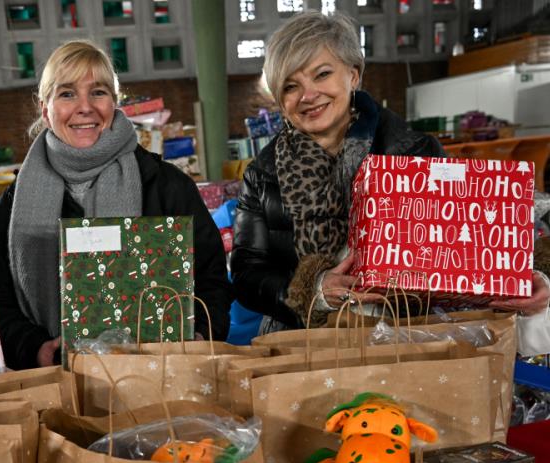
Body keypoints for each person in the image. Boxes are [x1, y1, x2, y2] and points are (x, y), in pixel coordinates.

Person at [230, 11, 549, 333]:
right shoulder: (263, 174)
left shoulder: (417, 153)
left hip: (407, 340)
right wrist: (313, 291)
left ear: (353, 75)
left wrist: (529, 279)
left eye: (322, 74)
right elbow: (247, 275)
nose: (308, 95)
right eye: (290, 86)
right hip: (304, 345)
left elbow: (473, 245)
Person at [0, 40, 230, 370]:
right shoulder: (11, 206)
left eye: (98, 92)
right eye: (67, 94)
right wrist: (33, 347)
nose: (85, 107)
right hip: (57, 380)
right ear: (45, 109)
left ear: (114, 102)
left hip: (161, 375)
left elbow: (211, 278)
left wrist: (199, 333)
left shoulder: (165, 185)